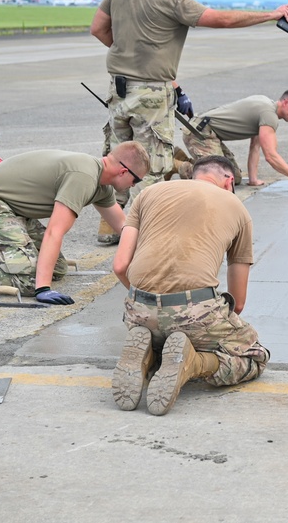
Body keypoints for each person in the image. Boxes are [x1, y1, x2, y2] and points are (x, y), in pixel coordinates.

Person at [89, 0, 288, 210]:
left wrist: (128, 54)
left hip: (118, 90)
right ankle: (143, 227)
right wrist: (272, 14)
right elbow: (222, 20)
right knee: (151, 165)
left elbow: (98, 28)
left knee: (117, 159)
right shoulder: (171, 0)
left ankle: (111, 224)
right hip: (151, 94)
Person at [111, 155, 269, 416]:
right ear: (229, 181)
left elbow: (119, 266)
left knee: (166, 337)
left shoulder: (148, 194)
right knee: (255, 357)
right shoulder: (236, 207)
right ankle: (195, 363)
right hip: (193, 309)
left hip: (139, 309)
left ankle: (152, 352)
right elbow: (238, 302)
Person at [0, 143, 149, 302]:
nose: (134, 185)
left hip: (12, 208)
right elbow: (54, 232)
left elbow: (125, 228)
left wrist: (159, 255)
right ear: (122, 171)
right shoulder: (84, 176)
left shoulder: (102, 184)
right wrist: (42, 288)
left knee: (56, 269)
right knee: (30, 281)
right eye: (136, 179)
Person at [181, 89, 288, 189]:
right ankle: (179, 165)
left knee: (234, 178)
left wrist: (253, 180)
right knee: (220, 179)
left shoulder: (265, 106)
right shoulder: (269, 115)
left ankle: (189, 161)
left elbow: (255, 146)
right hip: (199, 132)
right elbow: (271, 156)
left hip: (210, 133)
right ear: (285, 103)